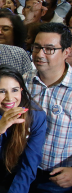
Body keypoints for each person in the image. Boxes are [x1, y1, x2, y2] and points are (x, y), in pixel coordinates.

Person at [0, 65, 47, 192]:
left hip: (20, 175)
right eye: (2, 91)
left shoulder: (36, 115)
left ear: (22, 90)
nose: (9, 98)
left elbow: (29, 164)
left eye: (14, 90)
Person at [24, 23, 72, 192]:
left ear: (67, 52)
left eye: (49, 49)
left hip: (58, 177)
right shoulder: (23, 82)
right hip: (24, 169)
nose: (39, 54)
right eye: (36, 47)